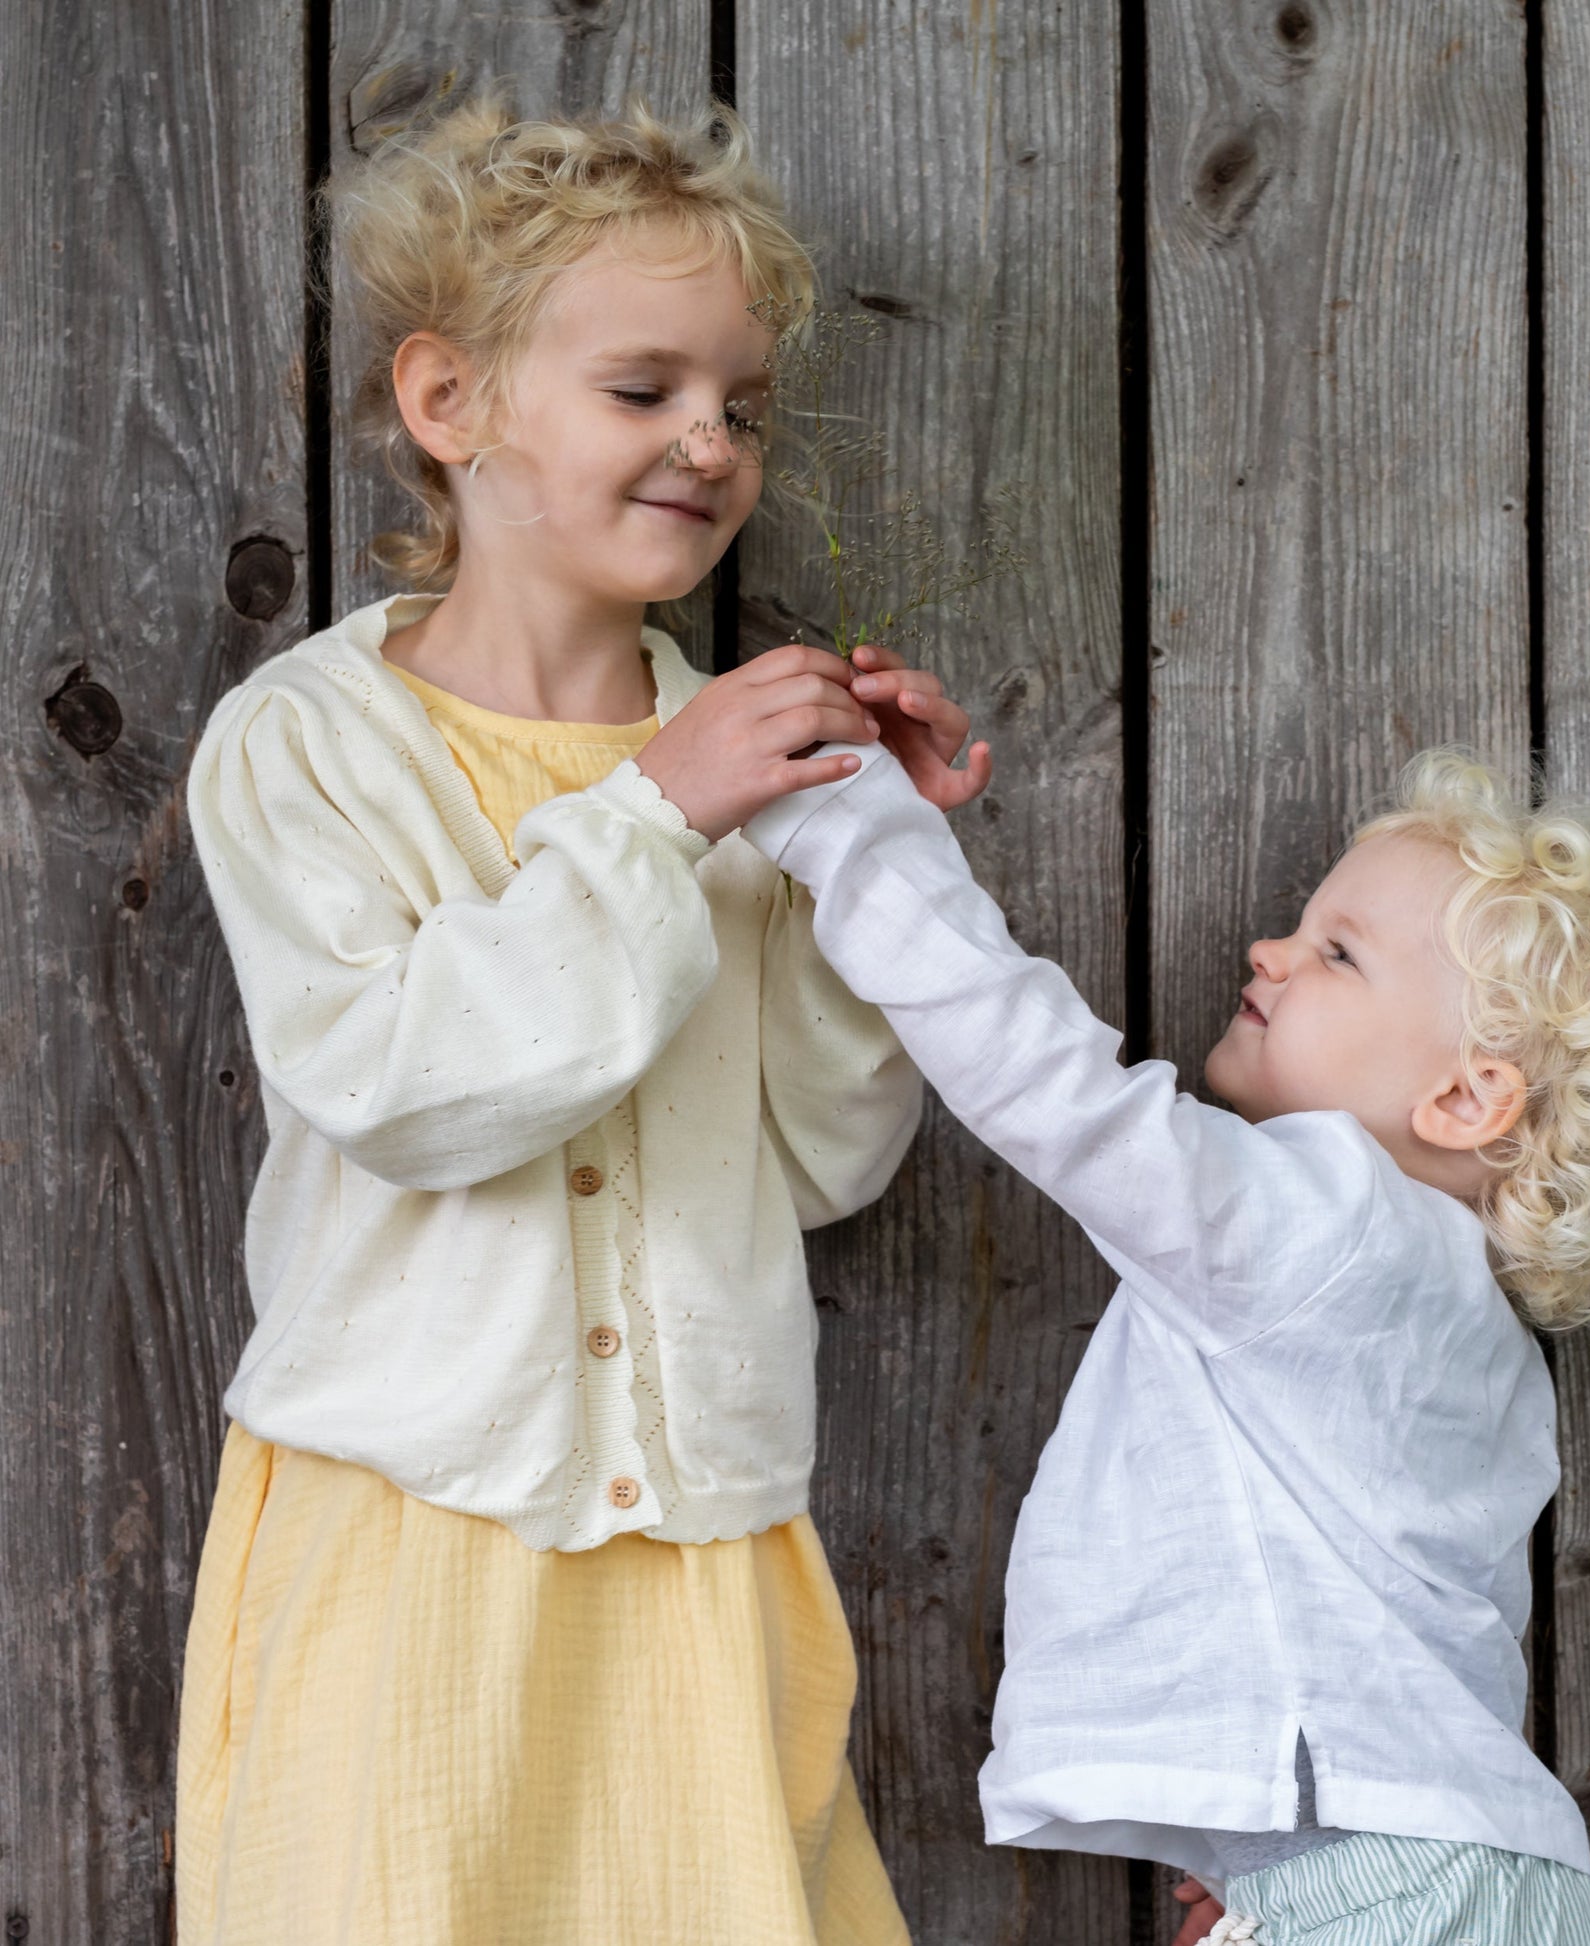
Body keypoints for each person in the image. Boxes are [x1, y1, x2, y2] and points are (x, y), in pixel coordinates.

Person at [174, 93, 985, 1944]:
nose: (710, 441)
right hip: (405, 1545)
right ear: (452, 405)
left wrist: (877, 882)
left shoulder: (749, 769)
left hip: (697, 1549)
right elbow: (404, 1089)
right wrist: (658, 810)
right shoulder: (305, 745)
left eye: (741, 407)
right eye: (644, 389)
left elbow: (816, 1156)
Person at [740, 734, 1590, 1945]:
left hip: (1398, 1892)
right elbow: (1429, 1645)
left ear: (1465, 1098)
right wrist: (1279, 1835)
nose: (1270, 949)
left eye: (1335, 951)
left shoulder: (1320, 1220)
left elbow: (1053, 1089)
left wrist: (841, 822)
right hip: (1471, 1875)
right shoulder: (1474, 1333)